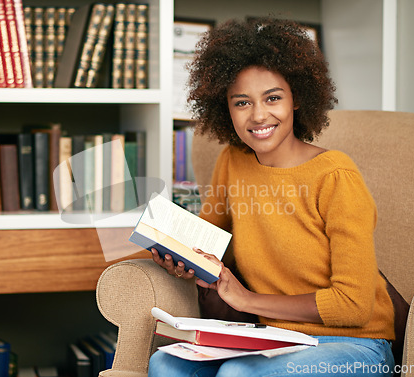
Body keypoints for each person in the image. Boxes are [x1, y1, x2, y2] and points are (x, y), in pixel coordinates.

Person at [148, 18, 395, 377]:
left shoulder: (336, 176)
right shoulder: (232, 161)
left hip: (357, 345)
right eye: (242, 102)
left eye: (273, 98)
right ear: (225, 108)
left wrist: (248, 300)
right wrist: (183, 258)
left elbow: (353, 306)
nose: (259, 115)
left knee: (240, 375)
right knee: (165, 364)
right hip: (271, 339)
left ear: (297, 99)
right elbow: (209, 239)